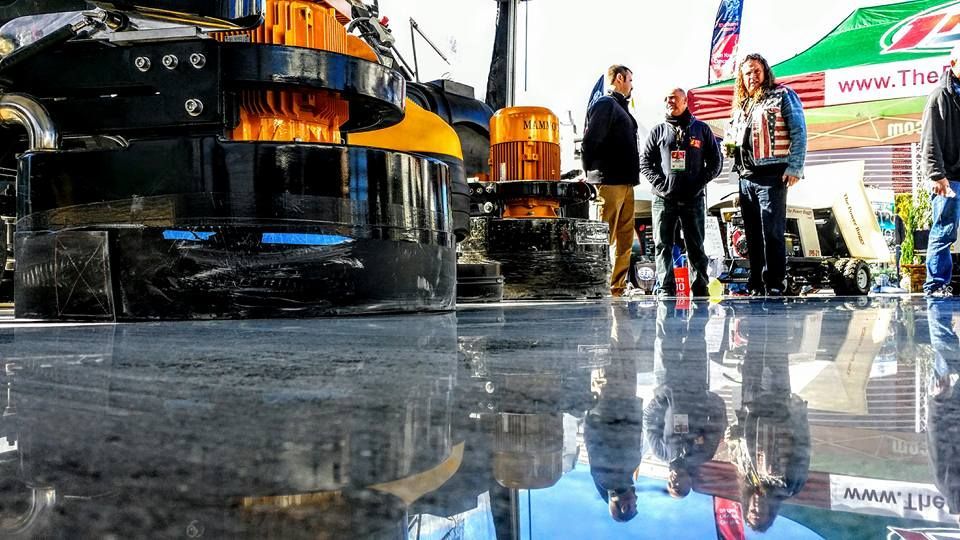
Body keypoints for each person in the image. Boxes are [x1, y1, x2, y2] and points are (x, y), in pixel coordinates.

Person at [727, 53, 807, 296]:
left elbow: (799, 131)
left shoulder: (783, 94)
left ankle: (775, 281)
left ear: (765, 71)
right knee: (750, 233)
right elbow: (737, 136)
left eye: (757, 70)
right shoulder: (743, 103)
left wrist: (795, 167)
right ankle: (755, 281)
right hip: (745, 176)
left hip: (772, 174)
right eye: (748, 72)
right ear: (741, 77)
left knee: (771, 231)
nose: (753, 76)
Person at [725, 302, 810, 532]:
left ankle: (757, 302)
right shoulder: (789, 485)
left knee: (753, 349)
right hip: (778, 402)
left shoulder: (747, 477)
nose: (757, 510)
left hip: (750, 400)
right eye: (761, 515)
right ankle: (775, 302)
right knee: (776, 349)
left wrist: (733, 434)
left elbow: (735, 445)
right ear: (771, 513)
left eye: (752, 513)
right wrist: (800, 415)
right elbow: (802, 449)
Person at [640, 87, 723, 298]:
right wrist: (661, 185)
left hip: (693, 198)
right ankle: (666, 288)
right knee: (662, 245)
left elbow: (715, 162)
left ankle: (700, 287)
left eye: (674, 98)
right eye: (666, 99)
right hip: (663, 198)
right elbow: (645, 162)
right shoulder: (657, 131)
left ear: (685, 101)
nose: (670, 102)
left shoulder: (702, 129)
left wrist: (698, 183)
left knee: (696, 245)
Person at [643, 302, 726, 498]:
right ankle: (700, 285)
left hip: (666, 380)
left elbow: (648, 421)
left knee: (665, 334)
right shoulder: (703, 453)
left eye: (671, 485)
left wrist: (662, 398)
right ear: (690, 482)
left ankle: (667, 290)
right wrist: (707, 398)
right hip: (695, 381)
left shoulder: (660, 452)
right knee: (696, 333)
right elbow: (717, 423)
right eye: (680, 486)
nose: (674, 481)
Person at [582, 65, 641, 297]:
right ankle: (599, 284)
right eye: (630, 80)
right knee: (604, 236)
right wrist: (592, 174)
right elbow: (590, 141)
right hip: (609, 182)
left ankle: (616, 286)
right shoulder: (605, 104)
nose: (632, 86)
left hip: (626, 183)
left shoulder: (620, 107)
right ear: (619, 78)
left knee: (625, 238)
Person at [584, 304, 643, 522]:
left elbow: (595, 437)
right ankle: (617, 301)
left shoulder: (606, 478)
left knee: (603, 344)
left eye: (633, 506)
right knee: (625, 343)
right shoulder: (625, 476)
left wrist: (598, 408)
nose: (636, 501)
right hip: (626, 397)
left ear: (623, 507)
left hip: (610, 397)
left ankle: (600, 302)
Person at [922, 43, 960, 297]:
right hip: (949, 177)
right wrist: (936, 174)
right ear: (954, 63)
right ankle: (936, 284)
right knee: (945, 229)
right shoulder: (940, 96)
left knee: (946, 228)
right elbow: (929, 138)